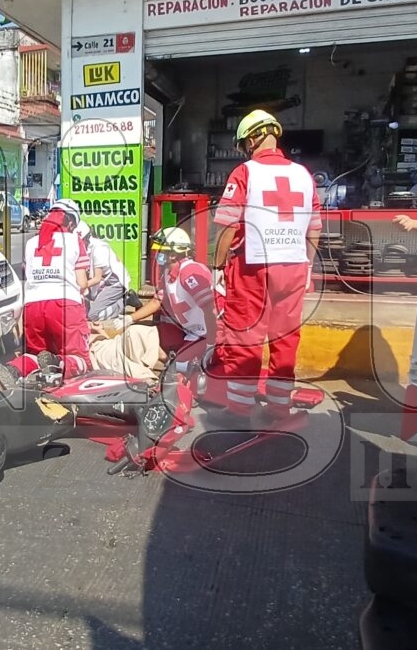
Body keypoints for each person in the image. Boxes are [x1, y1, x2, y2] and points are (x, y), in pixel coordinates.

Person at [204, 109, 322, 428]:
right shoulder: (303, 174)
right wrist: (308, 265)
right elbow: (315, 227)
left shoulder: (245, 172)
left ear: (253, 138)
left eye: (245, 143)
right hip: (295, 266)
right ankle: (278, 409)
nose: (245, 149)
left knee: (246, 338)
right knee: (285, 339)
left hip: (253, 268)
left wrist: (216, 267)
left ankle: (240, 410)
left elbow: (227, 225)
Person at [131, 226, 216, 443]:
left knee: (178, 372)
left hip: (209, 332)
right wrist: (129, 319)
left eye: (161, 251)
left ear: (175, 252)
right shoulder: (169, 275)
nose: (157, 255)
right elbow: (157, 301)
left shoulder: (190, 273)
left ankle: (179, 416)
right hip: (194, 333)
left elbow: (211, 308)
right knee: (175, 367)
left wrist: (211, 343)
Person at [0, 198, 93, 384]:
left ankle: (13, 369)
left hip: (33, 306)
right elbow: (81, 283)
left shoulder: (32, 243)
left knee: (35, 353)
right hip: (65, 305)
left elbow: (29, 273)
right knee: (81, 360)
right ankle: (57, 363)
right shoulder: (75, 241)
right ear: (71, 222)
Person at [77, 220, 130, 322]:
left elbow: (97, 278)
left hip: (116, 283)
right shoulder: (84, 248)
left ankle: (124, 302)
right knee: (84, 309)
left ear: (86, 237)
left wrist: (79, 286)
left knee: (93, 315)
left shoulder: (98, 249)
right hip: (104, 282)